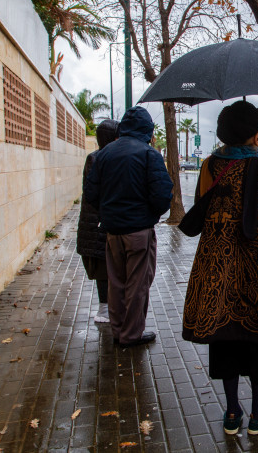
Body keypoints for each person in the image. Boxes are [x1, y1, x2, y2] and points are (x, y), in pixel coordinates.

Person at [182, 101, 258, 436]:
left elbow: (203, 209)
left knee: (227, 340)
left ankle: (232, 413)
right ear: (254, 136)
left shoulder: (211, 166)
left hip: (218, 272)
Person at [84, 106, 173, 348]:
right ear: (147, 129)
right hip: (139, 232)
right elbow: (163, 195)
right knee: (138, 283)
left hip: (112, 231)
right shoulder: (149, 154)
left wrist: (108, 212)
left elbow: (90, 193)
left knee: (116, 282)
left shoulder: (104, 154)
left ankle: (118, 329)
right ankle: (131, 334)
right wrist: (149, 215)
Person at [77, 119, 119, 323]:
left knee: (106, 264)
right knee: (103, 265)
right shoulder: (99, 159)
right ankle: (104, 308)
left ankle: (107, 306)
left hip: (97, 220)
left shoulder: (95, 157)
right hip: (99, 222)